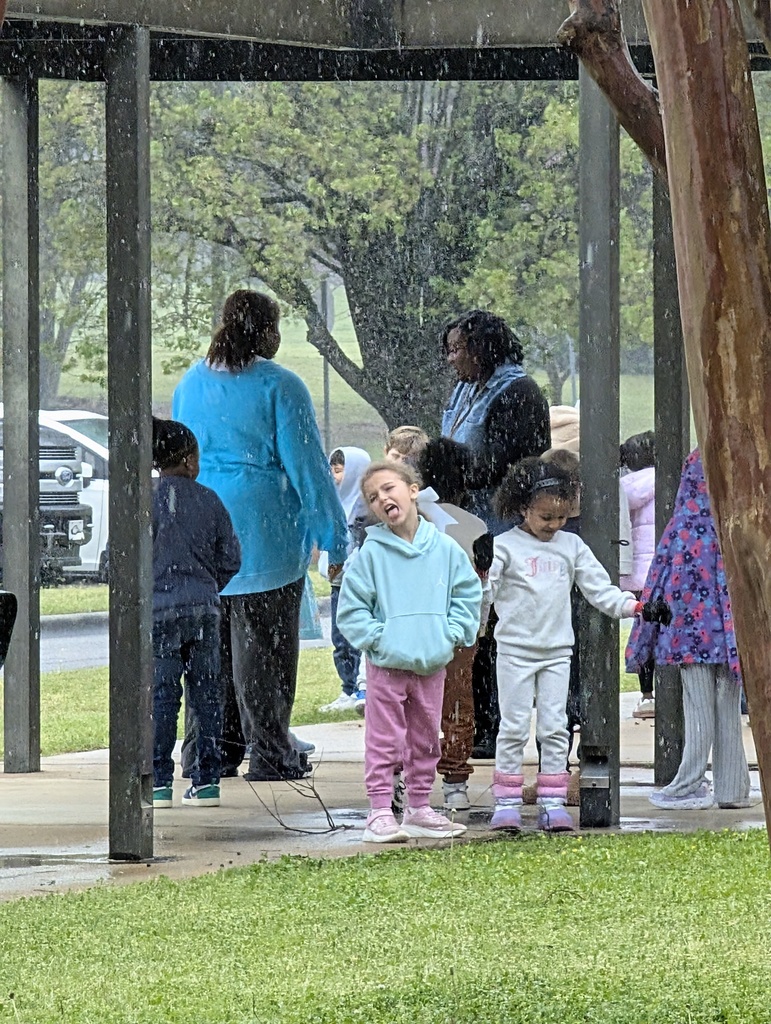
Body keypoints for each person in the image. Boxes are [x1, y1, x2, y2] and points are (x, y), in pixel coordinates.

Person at [172, 289, 348, 782]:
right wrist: (333, 535)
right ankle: (271, 753)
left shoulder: (191, 382)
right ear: (266, 332)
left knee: (211, 654)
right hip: (263, 529)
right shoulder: (282, 386)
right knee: (265, 654)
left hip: (205, 525)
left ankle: (208, 752)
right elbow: (308, 466)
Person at [485, 457, 640, 832]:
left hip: (557, 652)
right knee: (513, 726)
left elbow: (599, 590)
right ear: (522, 507)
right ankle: (506, 801)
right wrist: (478, 570)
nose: (554, 526)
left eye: (562, 517)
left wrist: (634, 605)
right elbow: (483, 596)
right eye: (545, 518)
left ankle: (553, 801)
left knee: (555, 727)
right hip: (514, 651)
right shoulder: (503, 546)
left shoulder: (571, 546)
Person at [427, 309, 552, 758]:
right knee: (467, 630)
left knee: (495, 632)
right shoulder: (465, 390)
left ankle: (492, 726)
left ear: (483, 349)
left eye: (458, 349)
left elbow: (508, 464)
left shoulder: (518, 391)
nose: (450, 359)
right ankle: (470, 719)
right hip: (463, 526)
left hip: (499, 529)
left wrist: (450, 461)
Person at [337, 460, 482, 843]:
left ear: (413, 490)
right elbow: (351, 611)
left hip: (432, 662)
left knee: (426, 738)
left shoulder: (446, 549)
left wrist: (451, 634)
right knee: (384, 740)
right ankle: (380, 812)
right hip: (387, 666)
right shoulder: (369, 556)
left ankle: (419, 807)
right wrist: (380, 640)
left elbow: (467, 593)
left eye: (389, 488)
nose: (383, 498)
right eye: (373, 497)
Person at [626, 449, 751, 811]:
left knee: (698, 708)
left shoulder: (682, 528)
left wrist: (644, 637)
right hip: (729, 635)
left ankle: (688, 784)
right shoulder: (736, 527)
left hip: (689, 637)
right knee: (728, 708)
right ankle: (733, 789)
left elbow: (660, 579)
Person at [151, 418, 241, 809]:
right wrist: (206, 586)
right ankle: (207, 782)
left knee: (161, 697)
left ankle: (156, 782)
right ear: (189, 461)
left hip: (156, 613)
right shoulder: (210, 500)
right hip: (203, 610)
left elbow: (116, 558)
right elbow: (231, 558)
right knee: (207, 695)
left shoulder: (142, 500)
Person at [318, 446, 372, 713]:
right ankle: (347, 687)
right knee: (340, 639)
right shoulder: (335, 505)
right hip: (338, 583)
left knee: (356, 636)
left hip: (359, 584)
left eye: (339, 471)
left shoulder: (368, 510)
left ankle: (359, 686)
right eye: (333, 470)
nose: (334, 477)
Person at [619, 430, 657, 720]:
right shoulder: (672, 482)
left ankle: (647, 695)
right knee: (665, 632)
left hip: (638, 576)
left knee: (644, 631)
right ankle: (671, 692)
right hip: (663, 572)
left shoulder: (622, 489)